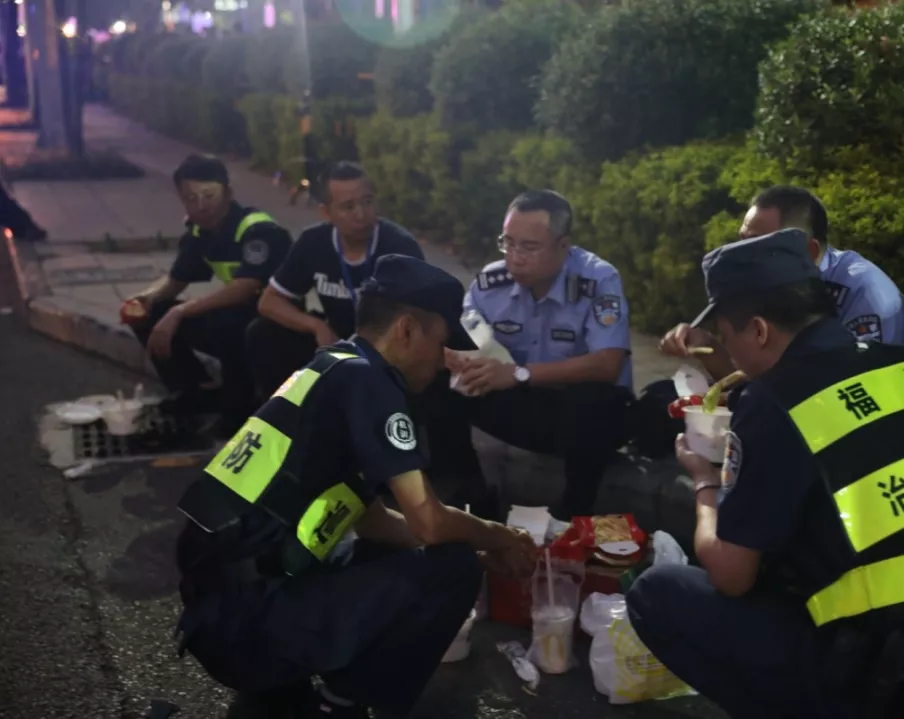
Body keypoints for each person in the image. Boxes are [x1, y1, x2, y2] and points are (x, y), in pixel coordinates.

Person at [626, 228, 904, 719]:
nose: (731, 356)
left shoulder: (776, 401)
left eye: (728, 339)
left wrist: (704, 481)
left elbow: (731, 575)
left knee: (657, 594)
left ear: (760, 331)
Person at [173, 254, 538, 719]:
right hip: (253, 623)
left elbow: (374, 523)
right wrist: (501, 535)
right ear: (407, 329)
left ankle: (292, 684)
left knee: (442, 554)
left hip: (224, 611)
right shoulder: (370, 382)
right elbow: (428, 521)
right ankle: (341, 704)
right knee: (454, 569)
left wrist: (477, 547)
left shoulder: (333, 366)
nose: (445, 362)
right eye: (442, 343)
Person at [436, 189, 635, 520]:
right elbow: (460, 337)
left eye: (529, 247)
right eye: (508, 243)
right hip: (526, 406)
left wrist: (518, 374)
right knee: (438, 384)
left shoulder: (597, 279)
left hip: (587, 420)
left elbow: (608, 364)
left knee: (593, 399)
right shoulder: (490, 284)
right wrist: (453, 357)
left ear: (563, 245)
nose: (515, 257)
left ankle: (574, 514)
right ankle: (472, 493)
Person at [659, 185, 904, 383]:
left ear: (809, 251)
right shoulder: (775, 284)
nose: (742, 256)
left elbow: (851, 392)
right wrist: (708, 348)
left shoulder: (867, 294)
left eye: (758, 246)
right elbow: (761, 378)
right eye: (741, 242)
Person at [125, 154, 291, 437]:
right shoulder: (200, 231)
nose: (201, 206)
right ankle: (196, 392)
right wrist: (146, 300)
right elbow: (177, 279)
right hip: (240, 318)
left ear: (228, 192)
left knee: (227, 322)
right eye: (191, 198)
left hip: (276, 326)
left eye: (209, 195)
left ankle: (239, 409)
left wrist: (180, 311)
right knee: (150, 314)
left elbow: (245, 288)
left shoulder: (258, 230)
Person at [247, 161, 424, 399]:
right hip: (335, 341)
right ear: (326, 213)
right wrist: (316, 326)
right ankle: (284, 413)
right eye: (348, 207)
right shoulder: (314, 242)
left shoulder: (400, 246)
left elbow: (425, 319)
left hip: (388, 349)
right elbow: (269, 301)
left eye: (368, 202)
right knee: (262, 333)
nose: (361, 214)